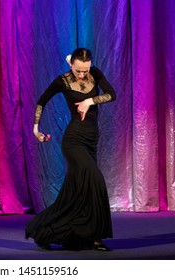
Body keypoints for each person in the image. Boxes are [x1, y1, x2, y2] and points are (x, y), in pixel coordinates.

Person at [25, 48, 116, 251]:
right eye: (78, 70)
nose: (82, 74)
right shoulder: (63, 81)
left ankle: (64, 233)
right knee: (96, 181)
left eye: (85, 70)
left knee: (79, 192)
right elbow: (41, 101)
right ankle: (96, 236)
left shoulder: (96, 74)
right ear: (71, 65)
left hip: (92, 139)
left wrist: (89, 101)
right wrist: (36, 129)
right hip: (73, 140)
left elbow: (112, 95)